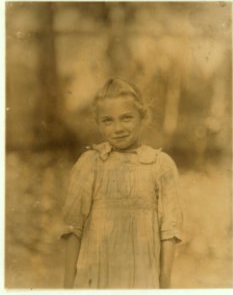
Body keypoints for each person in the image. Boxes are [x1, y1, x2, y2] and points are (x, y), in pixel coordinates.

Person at [60, 78, 183, 289]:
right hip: (95, 279)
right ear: (98, 122)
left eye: (126, 118)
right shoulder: (90, 164)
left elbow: (169, 232)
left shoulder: (161, 165)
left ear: (142, 118)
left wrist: (164, 283)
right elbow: (73, 228)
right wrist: (68, 286)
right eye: (108, 120)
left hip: (143, 277)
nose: (118, 128)